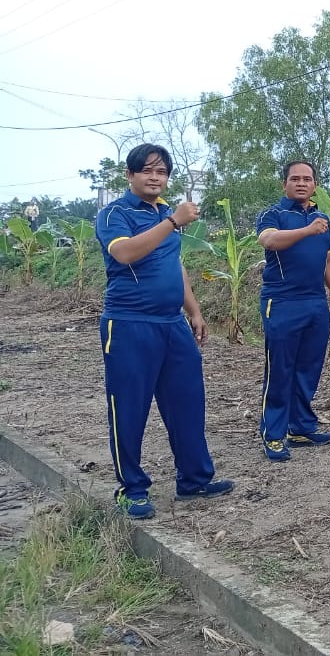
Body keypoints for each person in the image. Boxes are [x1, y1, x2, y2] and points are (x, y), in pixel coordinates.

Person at [95, 143, 234, 519]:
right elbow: (124, 253)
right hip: (129, 324)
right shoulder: (115, 213)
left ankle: (194, 479)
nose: (155, 178)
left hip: (172, 324)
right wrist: (172, 222)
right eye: (148, 171)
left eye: (162, 172)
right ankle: (132, 488)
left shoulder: (162, 213)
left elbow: (175, 264)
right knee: (129, 407)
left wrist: (194, 309)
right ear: (130, 175)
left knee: (187, 401)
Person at [255, 160, 330, 461]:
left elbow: (329, 260)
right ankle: (274, 433)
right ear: (285, 184)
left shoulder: (322, 219)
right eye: (295, 179)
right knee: (280, 369)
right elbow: (269, 240)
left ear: (315, 185)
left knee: (308, 368)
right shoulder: (274, 214)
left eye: (307, 179)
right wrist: (307, 231)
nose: (302, 183)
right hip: (281, 302)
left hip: (314, 302)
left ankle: (301, 426)